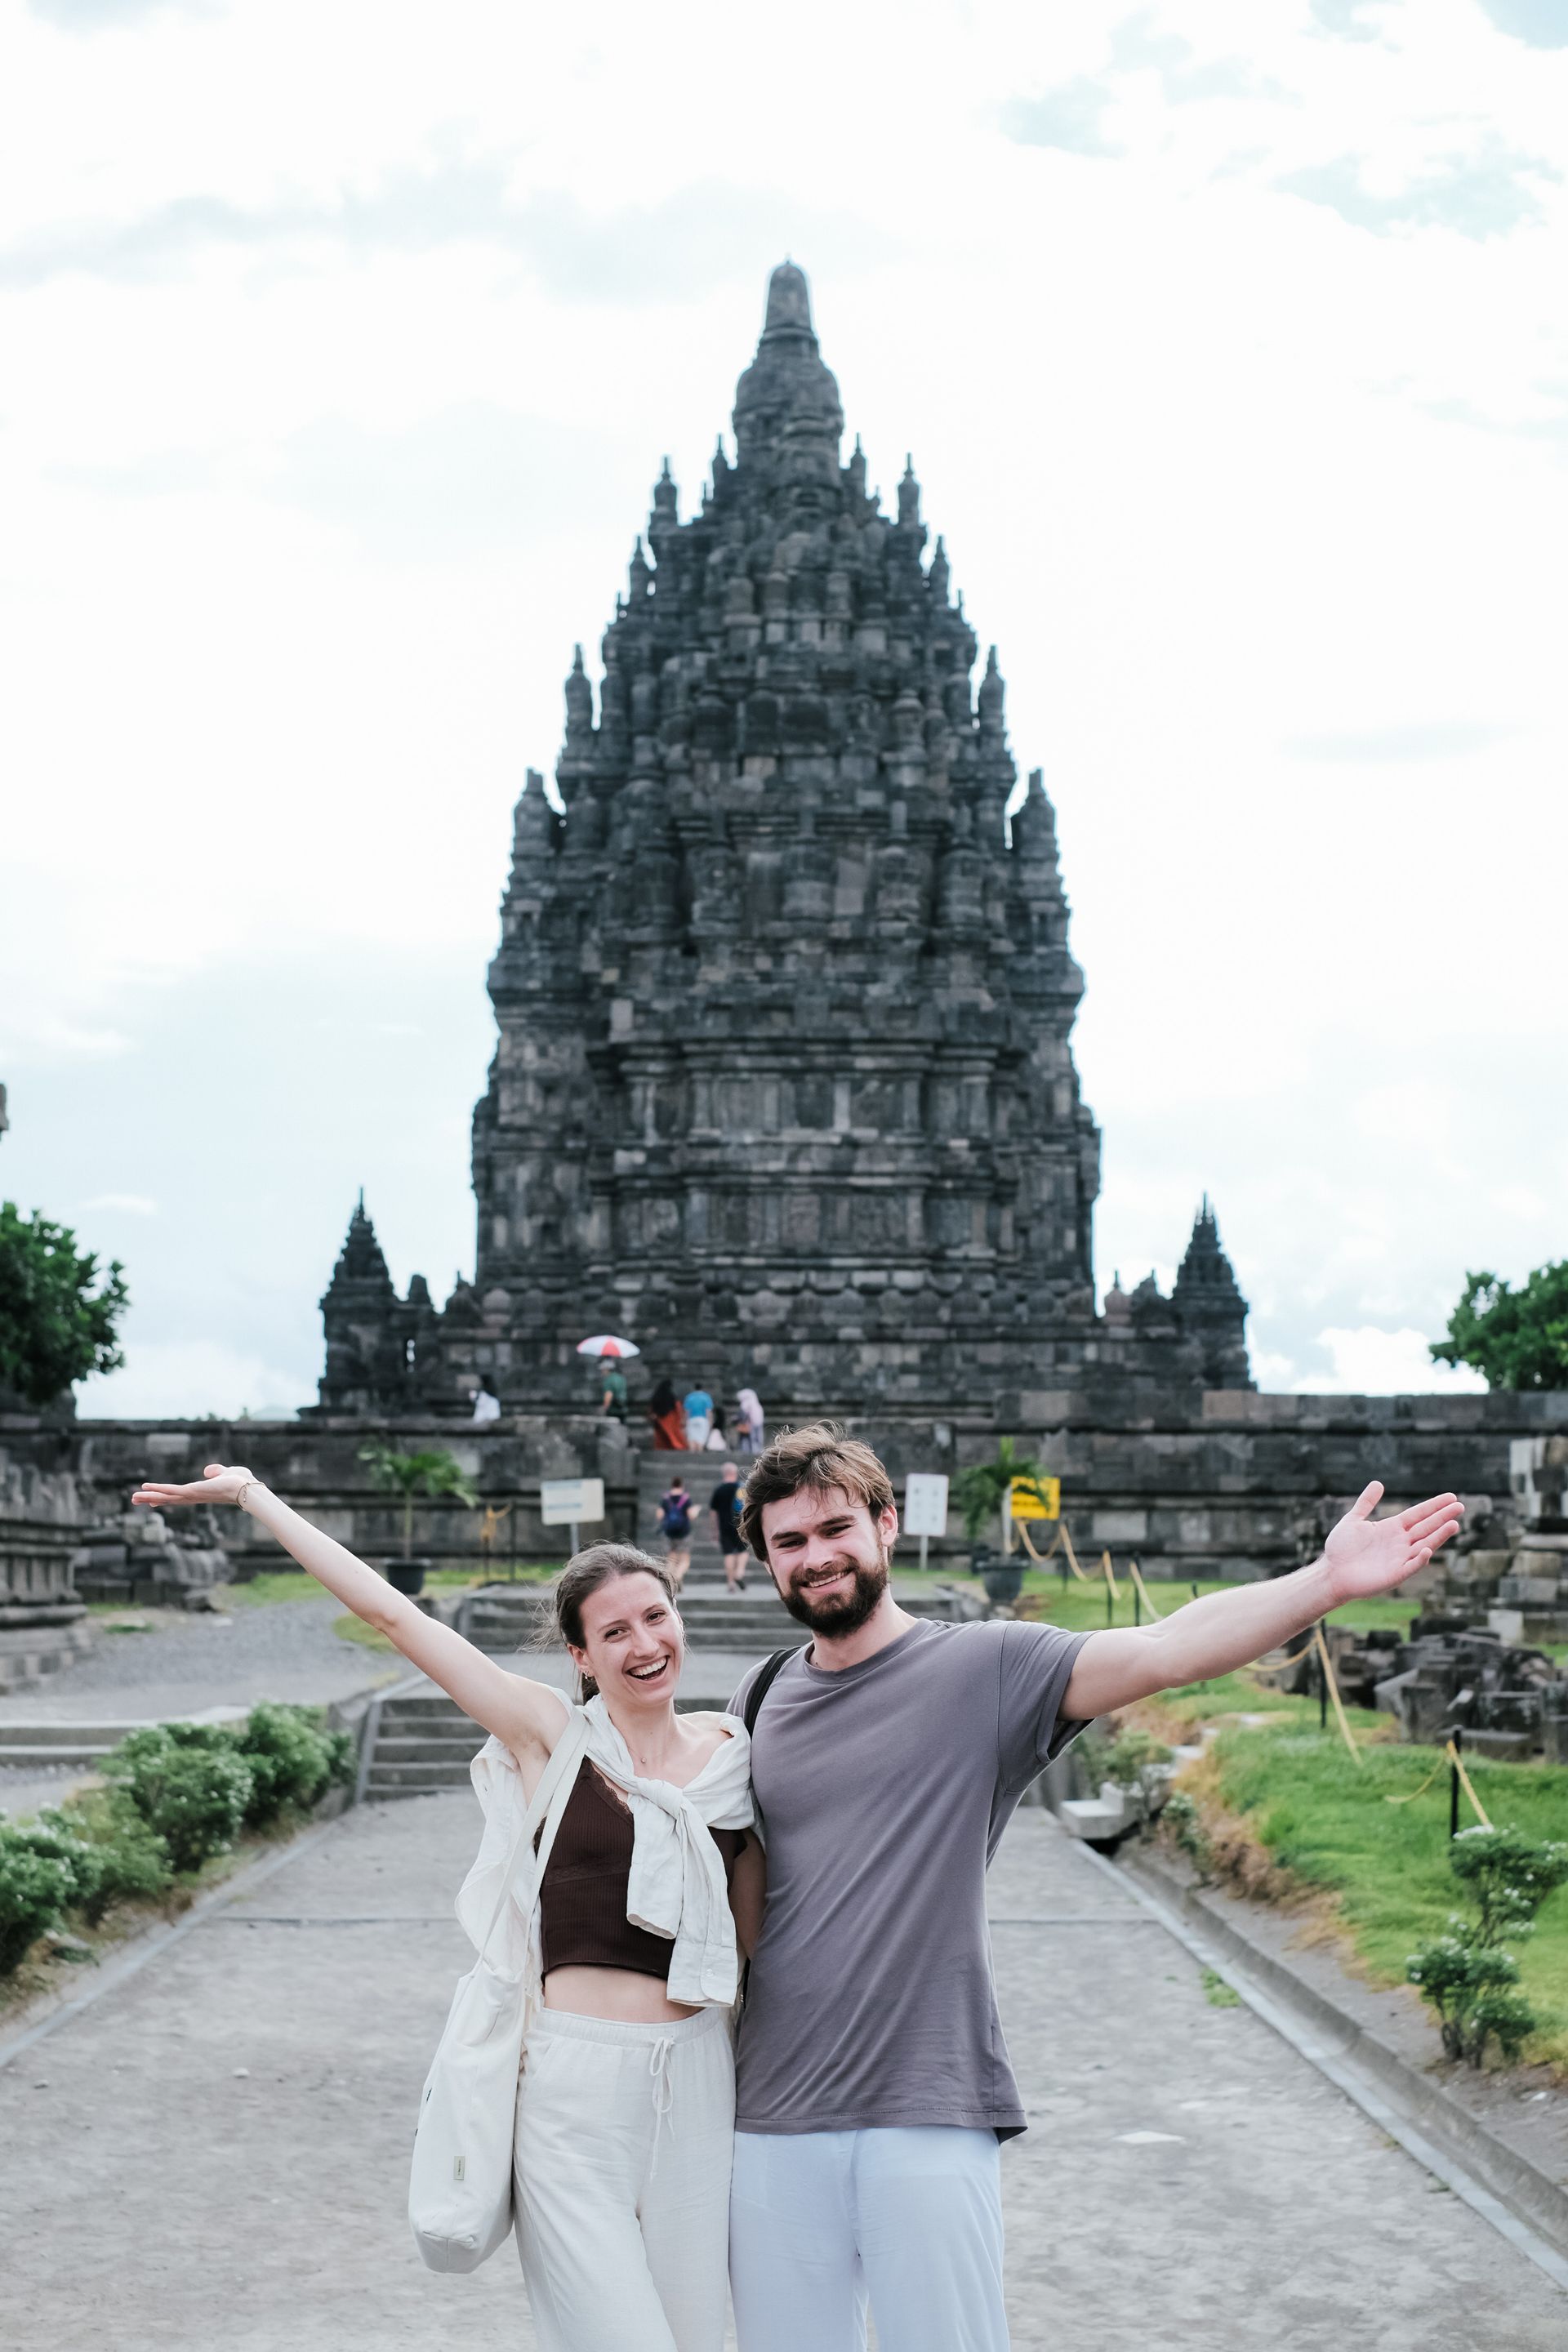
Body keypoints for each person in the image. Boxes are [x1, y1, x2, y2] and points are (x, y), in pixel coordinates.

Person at [725, 1423, 1463, 2352]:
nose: (817, 1557)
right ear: (763, 1557)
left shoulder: (986, 1667)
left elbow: (1168, 1648)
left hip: (926, 2102)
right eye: (789, 1542)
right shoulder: (755, 1701)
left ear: (886, 1523)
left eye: (835, 1528)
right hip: (769, 2112)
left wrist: (1325, 1583)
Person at [129, 1463, 764, 2352]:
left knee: (697, 2341)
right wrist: (253, 1497)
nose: (643, 1643)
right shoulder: (551, 1733)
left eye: (655, 1616)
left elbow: (760, 1946)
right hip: (573, 2095)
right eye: (613, 1631)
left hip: (700, 2082)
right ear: (580, 1656)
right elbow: (397, 1618)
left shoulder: (736, 1760)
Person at [708, 1463, 748, 1593]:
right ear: (735, 1473)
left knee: (728, 1553)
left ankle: (731, 1583)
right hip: (740, 1525)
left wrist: (715, 1530)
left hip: (724, 1526)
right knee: (743, 1551)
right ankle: (739, 1573)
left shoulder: (719, 1490)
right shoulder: (741, 1488)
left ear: (724, 1473)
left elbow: (713, 1513)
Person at [656, 1474, 695, 1591]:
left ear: (672, 1484)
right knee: (685, 1559)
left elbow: (659, 1516)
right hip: (684, 1533)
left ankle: (672, 1582)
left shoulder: (666, 1499)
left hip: (669, 1533)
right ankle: (678, 1576)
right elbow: (691, 1516)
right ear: (682, 1485)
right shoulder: (686, 1499)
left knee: (671, 1559)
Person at [648, 1379, 688, 1452]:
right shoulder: (671, 1396)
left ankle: (663, 1447)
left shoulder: (656, 1395)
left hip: (659, 1418)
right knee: (672, 1433)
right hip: (670, 1417)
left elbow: (652, 1406)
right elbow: (677, 1406)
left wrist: (653, 1414)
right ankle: (678, 1446)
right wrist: (681, 1418)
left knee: (662, 1434)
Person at [598, 1342, 628, 1422]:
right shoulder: (620, 1378)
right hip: (622, 1409)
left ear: (607, 1369)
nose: (602, 1372)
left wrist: (604, 1408)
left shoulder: (609, 1380)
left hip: (613, 1411)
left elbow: (609, 1394)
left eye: (603, 1370)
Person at [683, 1382, 714, 1451]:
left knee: (691, 1439)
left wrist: (685, 1422)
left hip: (691, 1419)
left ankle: (692, 1457)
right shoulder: (706, 1397)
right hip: (703, 1420)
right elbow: (708, 1412)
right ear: (702, 1388)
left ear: (694, 1388)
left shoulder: (689, 1397)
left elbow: (687, 1412)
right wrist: (711, 1422)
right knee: (701, 1440)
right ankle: (699, 1457)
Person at [735, 1388, 764, 1456]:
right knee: (758, 1438)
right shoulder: (757, 1404)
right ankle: (757, 1450)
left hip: (750, 1424)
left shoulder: (745, 1403)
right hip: (758, 1423)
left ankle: (752, 1451)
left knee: (751, 1438)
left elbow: (743, 1414)